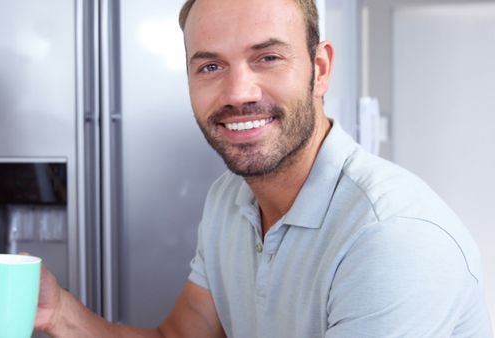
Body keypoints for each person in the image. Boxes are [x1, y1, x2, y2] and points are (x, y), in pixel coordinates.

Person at [33, 0, 493, 336]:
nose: (238, 92)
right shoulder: (229, 200)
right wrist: (60, 314)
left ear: (320, 68)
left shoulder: (390, 237)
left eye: (267, 58)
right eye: (210, 66)